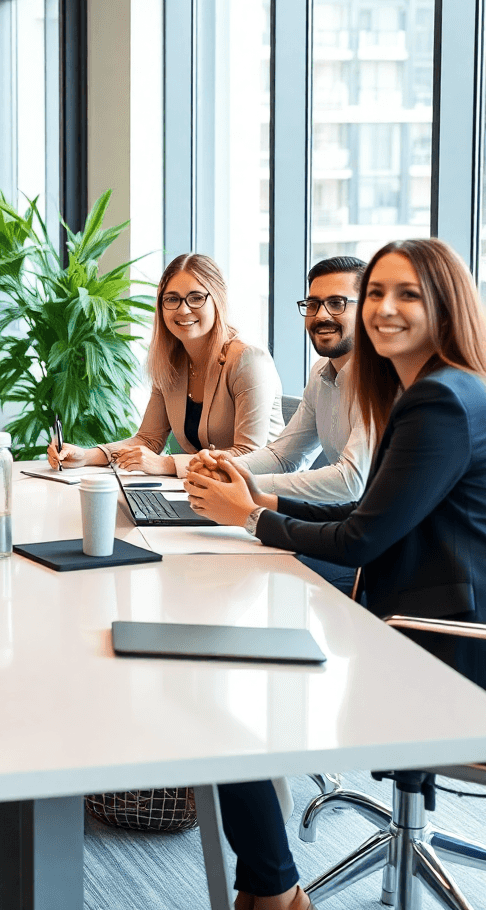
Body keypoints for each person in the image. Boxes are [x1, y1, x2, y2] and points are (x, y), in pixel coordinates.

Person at [185, 237, 486, 909]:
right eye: (377, 292)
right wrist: (257, 498)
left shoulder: (441, 401)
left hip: (447, 651)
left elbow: (360, 537)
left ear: (447, 306)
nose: (384, 308)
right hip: (414, 624)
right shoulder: (428, 390)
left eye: (407, 294)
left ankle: (273, 888)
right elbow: (368, 511)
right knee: (228, 676)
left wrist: (248, 518)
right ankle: (272, 887)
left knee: (229, 700)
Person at [47, 252, 283, 475]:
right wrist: (87, 456)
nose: (183, 309)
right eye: (172, 299)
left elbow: (249, 455)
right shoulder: (172, 362)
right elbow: (149, 440)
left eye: (196, 298)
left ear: (218, 300)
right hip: (208, 493)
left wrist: (167, 464)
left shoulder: (247, 359)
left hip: (258, 499)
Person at [191, 256, 372, 502]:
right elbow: (283, 457)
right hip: (344, 521)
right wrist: (224, 466)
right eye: (313, 304)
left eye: (337, 303)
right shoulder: (320, 374)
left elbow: (350, 483)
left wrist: (243, 481)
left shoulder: (381, 381)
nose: (321, 315)